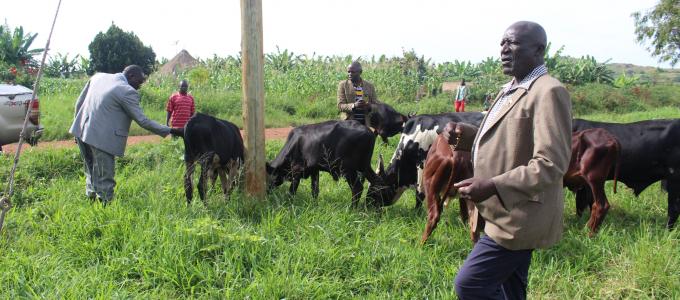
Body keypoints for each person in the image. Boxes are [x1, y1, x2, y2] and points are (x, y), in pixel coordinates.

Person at [449, 21, 572, 299]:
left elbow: (550, 163)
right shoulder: (512, 88)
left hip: (518, 216)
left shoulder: (548, 91)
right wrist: (464, 135)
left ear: (539, 49)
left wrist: (492, 185)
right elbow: (509, 139)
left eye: (513, 43)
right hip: (502, 210)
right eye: (502, 43)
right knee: (511, 288)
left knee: (469, 284)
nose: (504, 49)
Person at [69, 65, 183, 204]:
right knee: (105, 176)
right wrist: (172, 130)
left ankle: (91, 201)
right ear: (131, 76)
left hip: (82, 130)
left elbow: (79, 102)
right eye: (139, 82)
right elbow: (143, 121)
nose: (139, 86)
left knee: (90, 169)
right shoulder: (126, 91)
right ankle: (105, 209)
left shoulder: (98, 77)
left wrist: (76, 128)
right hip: (101, 139)